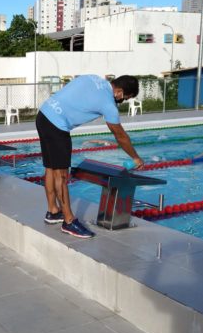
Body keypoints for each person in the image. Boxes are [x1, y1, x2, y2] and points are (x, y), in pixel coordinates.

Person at [36, 74, 145, 239]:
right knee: (61, 175)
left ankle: (53, 211)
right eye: (125, 98)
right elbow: (120, 136)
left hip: (43, 115)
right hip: (57, 126)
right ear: (119, 92)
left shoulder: (94, 78)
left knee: (50, 167)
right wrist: (136, 158)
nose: (121, 101)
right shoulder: (108, 104)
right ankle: (69, 221)